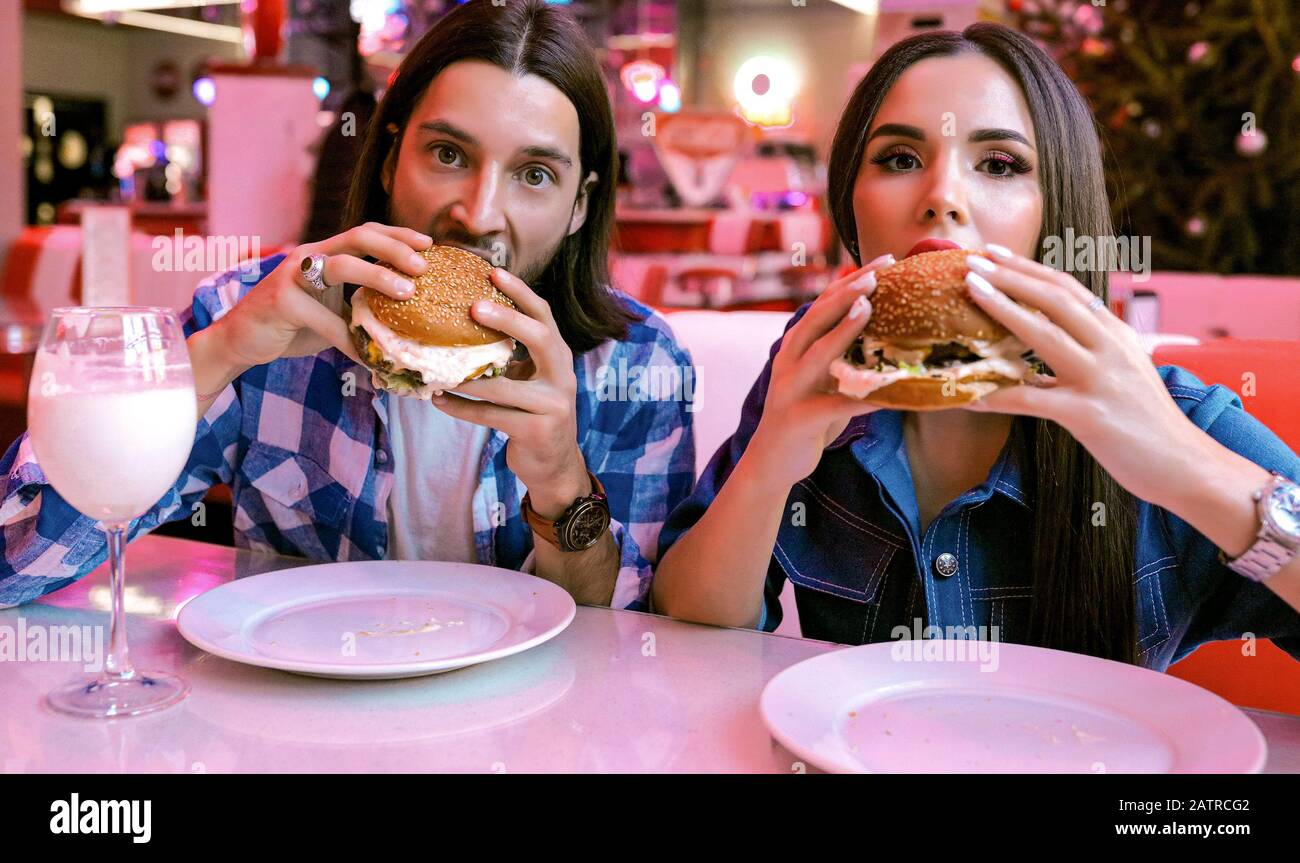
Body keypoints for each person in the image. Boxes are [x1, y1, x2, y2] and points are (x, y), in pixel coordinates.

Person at [0, 0, 695, 611]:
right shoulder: (259, 310)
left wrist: (561, 482)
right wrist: (221, 351)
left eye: (535, 175)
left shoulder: (638, 364)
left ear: (580, 206)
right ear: (391, 161)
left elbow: (624, 642)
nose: (479, 214)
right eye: (448, 154)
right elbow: (14, 564)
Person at [652, 23, 1300, 670]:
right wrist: (769, 464)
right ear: (850, 204)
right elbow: (691, 624)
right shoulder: (814, 366)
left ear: (1056, 215)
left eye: (999, 165)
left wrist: (1189, 466)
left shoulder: (1172, 413)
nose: (942, 198)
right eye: (900, 159)